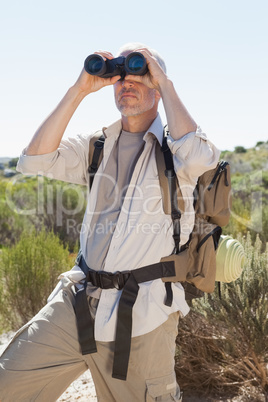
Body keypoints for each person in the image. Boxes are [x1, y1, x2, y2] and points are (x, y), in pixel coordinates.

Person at [0, 42, 220, 401]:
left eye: (139, 74)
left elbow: (200, 154)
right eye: (120, 77)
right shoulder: (97, 145)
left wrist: (164, 83)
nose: (127, 82)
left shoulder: (176, 151)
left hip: (143, 312)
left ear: (156, 84)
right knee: (7, 385)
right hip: (77, 301)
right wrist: (79, 90)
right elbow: (34, 160)